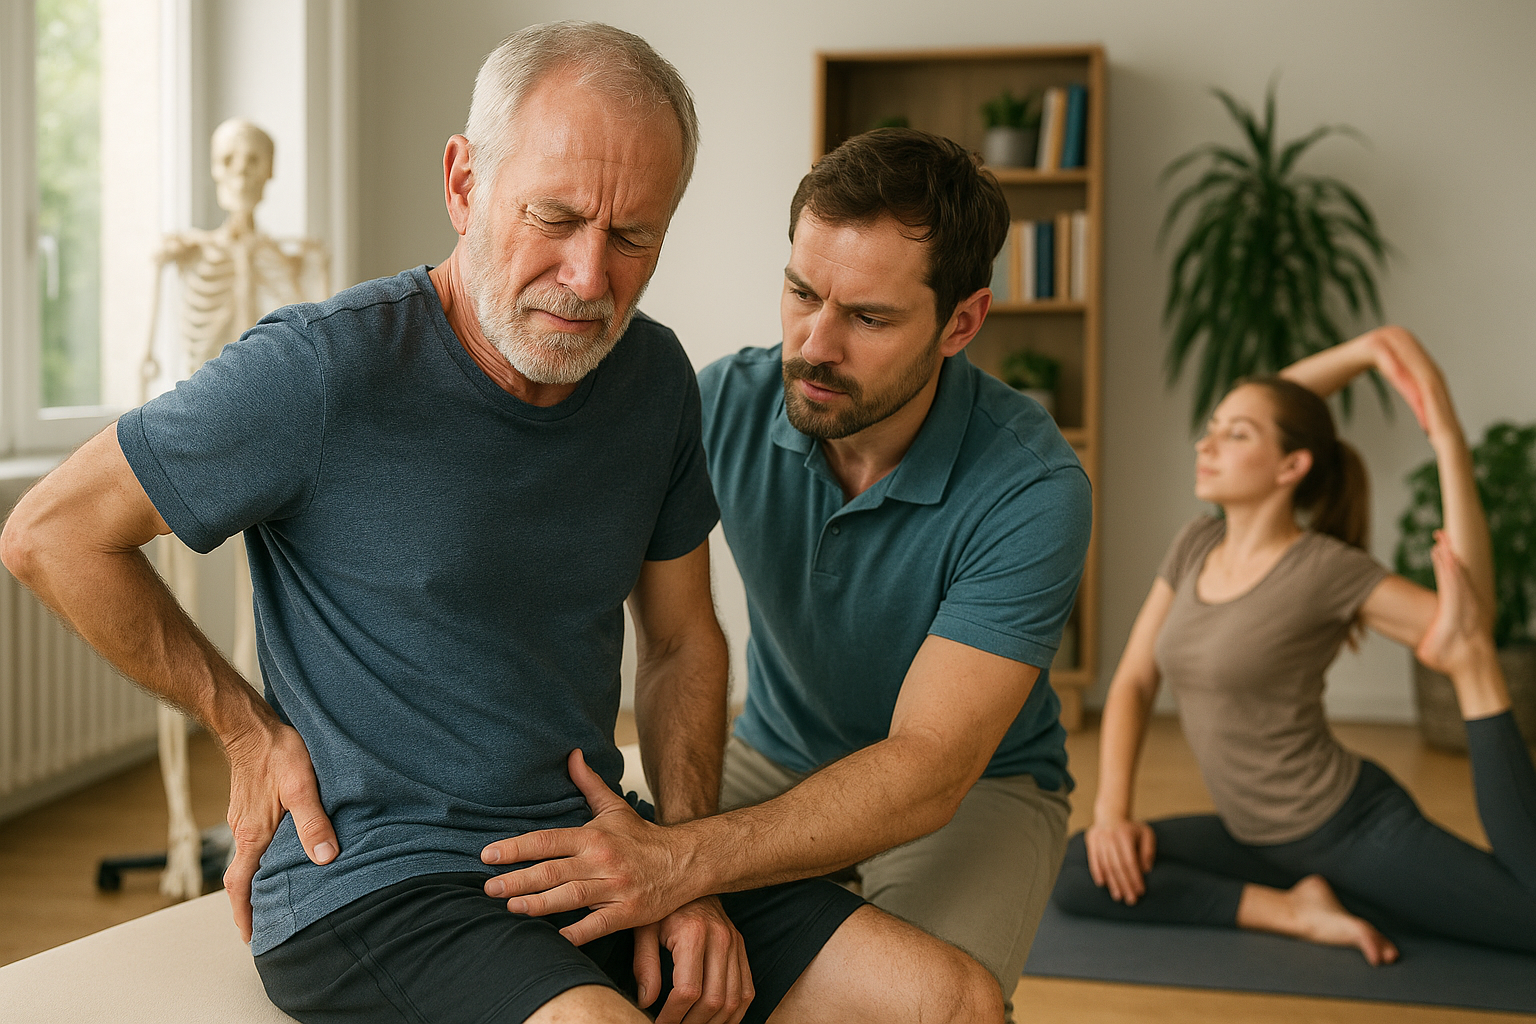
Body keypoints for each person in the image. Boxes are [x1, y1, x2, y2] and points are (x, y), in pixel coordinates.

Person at [0, 24, 1003, 1024]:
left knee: (950, 998)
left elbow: (682, 638)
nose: (587, 276)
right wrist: (245, 729)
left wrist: (683, 863)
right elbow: (51, 534)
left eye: (633, 237)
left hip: (596, 847)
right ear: (464, 182)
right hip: (384, 879)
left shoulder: (652, 378)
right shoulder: (320, 371)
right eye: (555, 217)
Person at [480, 128, 1091, 1020]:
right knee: (618, 954)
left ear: (962, 322)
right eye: (801, 292)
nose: (815, 344)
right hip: (771, 754)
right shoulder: (723, 401)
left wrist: (681, 862)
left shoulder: (1032, 488)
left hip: (976, 790)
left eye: (870, 318)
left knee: (936, 1007)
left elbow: (926, 769)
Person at [1052, 326, 1536, 961]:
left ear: (1292, 466)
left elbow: (1467, 622)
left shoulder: (1324, 568)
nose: (1209, 442)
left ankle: (1351, 890)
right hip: (1251, 837)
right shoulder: (1196, 543)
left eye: (1236, 435)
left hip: (1348, 828)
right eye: (1213, 426)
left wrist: (1443, 433)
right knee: (1080, 868)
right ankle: (1295, 911)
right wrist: (1114, 812)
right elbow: (1136, 682)